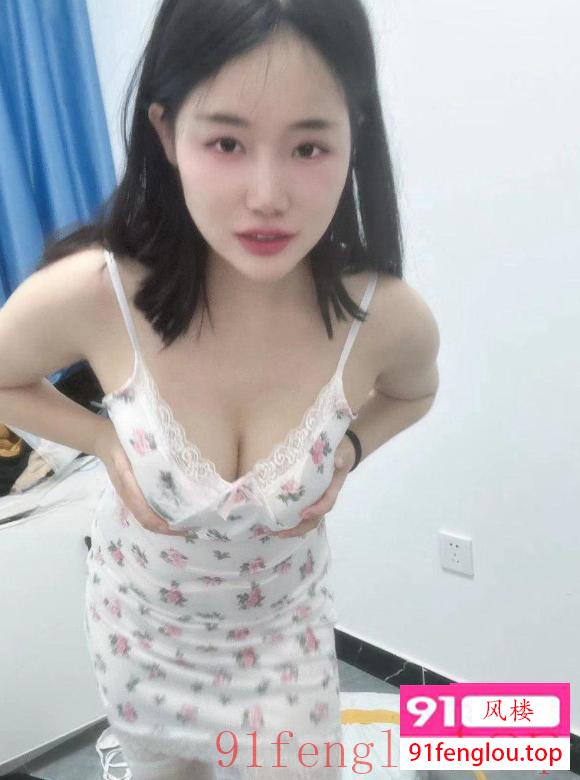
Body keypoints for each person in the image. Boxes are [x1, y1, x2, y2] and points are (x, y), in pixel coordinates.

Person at [0, 0, 439, 777]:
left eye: (309, 146)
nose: (267, 195)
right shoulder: (99, 296)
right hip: (140, 644)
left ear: (355, 135)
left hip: (284, 650)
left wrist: (350, 446)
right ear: (167, 132)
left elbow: (414, 393)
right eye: (228, 142)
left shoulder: (383, 318)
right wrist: (101, 439)